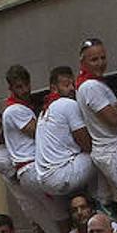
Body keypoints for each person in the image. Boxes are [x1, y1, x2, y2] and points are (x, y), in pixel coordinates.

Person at [3, 64, 67, 233]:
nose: (24, 90)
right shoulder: (15, 110)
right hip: (33, 169)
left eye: (25, 85)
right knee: (62, 219)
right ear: (11, 88)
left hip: (30, 170)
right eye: (18, 87)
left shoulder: (22, 107)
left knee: (56, 223)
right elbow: (38, 132)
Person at [76, 39, 117, 206]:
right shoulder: (91, 87)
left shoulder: (87, 85)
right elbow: (113, 119)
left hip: (107, 151)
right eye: (94, 60)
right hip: (116, 151)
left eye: (103, 58)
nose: (100, 63)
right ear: (83, 62)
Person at [35, 65, 98, 198]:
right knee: (103, 152)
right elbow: (87, 144)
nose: (71, 88)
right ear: (54, 88)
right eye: (66, 85)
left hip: (44, 179)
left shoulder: (44, 111)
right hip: (61, 174)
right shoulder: (67, 104)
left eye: (72, 84)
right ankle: (104, 200)